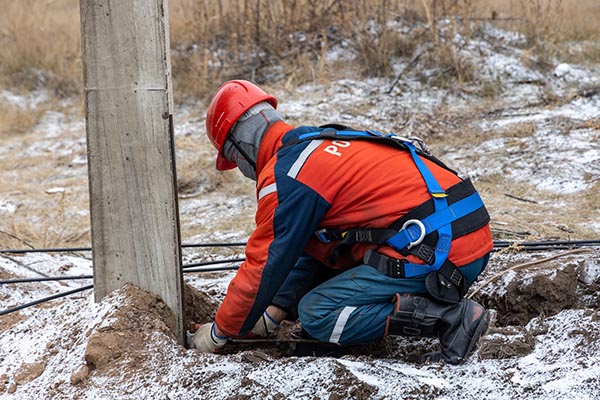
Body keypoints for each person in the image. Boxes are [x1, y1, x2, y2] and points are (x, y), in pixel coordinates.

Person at [190, 79, 494, 364]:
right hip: (466, 235)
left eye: (234, 160)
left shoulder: (286, 176)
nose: (242, 170)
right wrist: (275, 311)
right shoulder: (320, 142)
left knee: (317, 313)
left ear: (240, 147)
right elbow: (311, 246)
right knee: (327, 273)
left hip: (440, 250)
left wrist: (220, 331)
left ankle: (450, 319)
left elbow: (264, 265)